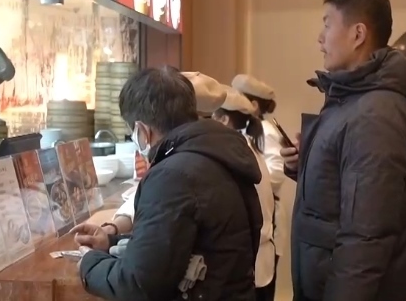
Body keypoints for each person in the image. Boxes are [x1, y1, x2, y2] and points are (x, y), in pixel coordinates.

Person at [280, 0, 406, 301]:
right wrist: (307, 163)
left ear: (358, 34)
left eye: (327, 24)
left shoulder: (376, 114)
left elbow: (366, 236)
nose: (320, 39)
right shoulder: (351, 99)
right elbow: (345, 188)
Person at [77, 67, 263, 301]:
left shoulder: (172, 175)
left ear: (142, 130)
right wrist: (112, 241)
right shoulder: (220, 152)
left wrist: (90, 264)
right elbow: (178, 243)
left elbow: (138, 284)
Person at [80, 71, 229, 238]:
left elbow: (153, 242)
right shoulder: (217, 146)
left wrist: (99, 251)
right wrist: (114, 228)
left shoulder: (185, 163)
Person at [212, 87, 277, 301]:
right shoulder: (247, 148)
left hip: (250, 262)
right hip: (258, 259)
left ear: (223, 120)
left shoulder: (235, 154)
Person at [231, 73, 287, 285]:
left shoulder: (265, 131)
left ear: (253, 105)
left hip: (269, 218)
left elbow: (276, 173)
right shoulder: (244, 131)